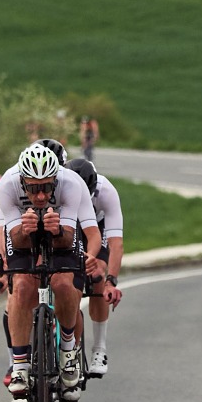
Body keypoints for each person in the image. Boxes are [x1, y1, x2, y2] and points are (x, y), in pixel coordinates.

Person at [0, 142, 102, 400]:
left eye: (46, 187)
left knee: (64, 283)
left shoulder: (71, 184)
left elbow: (72, 238)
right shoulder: (6, 185)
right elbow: (14, 240)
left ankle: (67, 352)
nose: (41, 196)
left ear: (56, 178)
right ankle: (20, 366)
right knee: (21, 287)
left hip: (63, 232)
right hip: (24, 231)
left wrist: (55, 230)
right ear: (22, 181)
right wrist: (24, 230)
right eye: (33, 188)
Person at [68, 157, 124, 376]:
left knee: (97, 274)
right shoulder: (62, 185)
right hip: (71, 225)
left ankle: (99, 349)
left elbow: (115, 243)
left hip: (97, 228)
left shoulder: (106, 191)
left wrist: (111, 281)